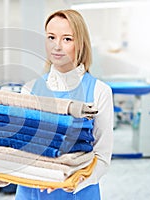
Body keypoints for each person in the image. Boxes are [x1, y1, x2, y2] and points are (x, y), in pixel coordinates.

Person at [13, 9, 114, 199]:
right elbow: (21, 149)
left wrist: (73, 183)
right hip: (30, 192)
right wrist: (4, 172)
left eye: (67, 39)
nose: (56, 46)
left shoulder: (99, 91)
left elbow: (102, 157)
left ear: (81, 43)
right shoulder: (29, 89)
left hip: (77, 193)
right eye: (51, 37)